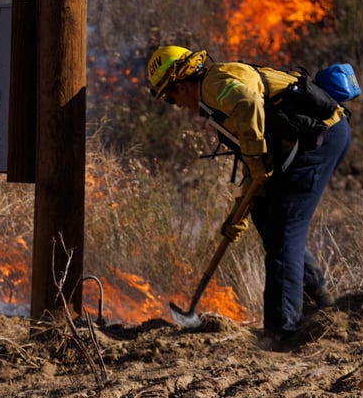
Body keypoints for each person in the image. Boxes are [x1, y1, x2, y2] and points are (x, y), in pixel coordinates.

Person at [147, 45, 350, 350]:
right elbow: (253, 152)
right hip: (300, 145)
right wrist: (238, 214)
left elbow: (248, 103)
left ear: (181, 86)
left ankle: (281, 333)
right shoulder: (213, 94)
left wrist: (256, 161)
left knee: (283, 231)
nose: (176, 105)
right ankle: (321, 304)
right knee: (266, 215)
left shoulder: (214, 85)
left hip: (319, 140)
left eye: (170, 98)